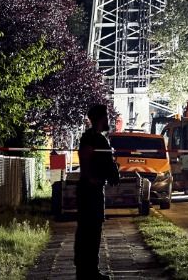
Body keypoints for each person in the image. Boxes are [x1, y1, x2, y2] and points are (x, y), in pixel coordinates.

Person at [74, 103, 120, 280]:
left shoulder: (96, 138)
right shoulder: (92, 138)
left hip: (93, 188)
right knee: (90, 230)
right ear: (100, 118)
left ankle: (89, 269)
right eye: (106, 116)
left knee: (91, 229)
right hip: (90, 190)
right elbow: (86, 158)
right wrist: (91, 178)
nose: (108, 119)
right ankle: (87, 271)